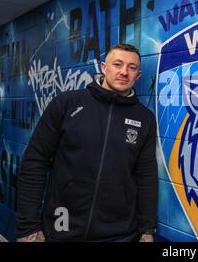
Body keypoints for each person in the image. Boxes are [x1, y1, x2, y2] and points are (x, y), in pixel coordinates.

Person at [16, 43, 158, 242]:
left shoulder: (145, 118)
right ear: (103, 67)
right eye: (117, 64)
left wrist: (147, 229)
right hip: (61, 228)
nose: (124, 72)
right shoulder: (67, 104)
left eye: (132, 67)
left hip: (119, 235)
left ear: (139, 75)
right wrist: (28, 227)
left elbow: (146, 176)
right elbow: (34, 162)